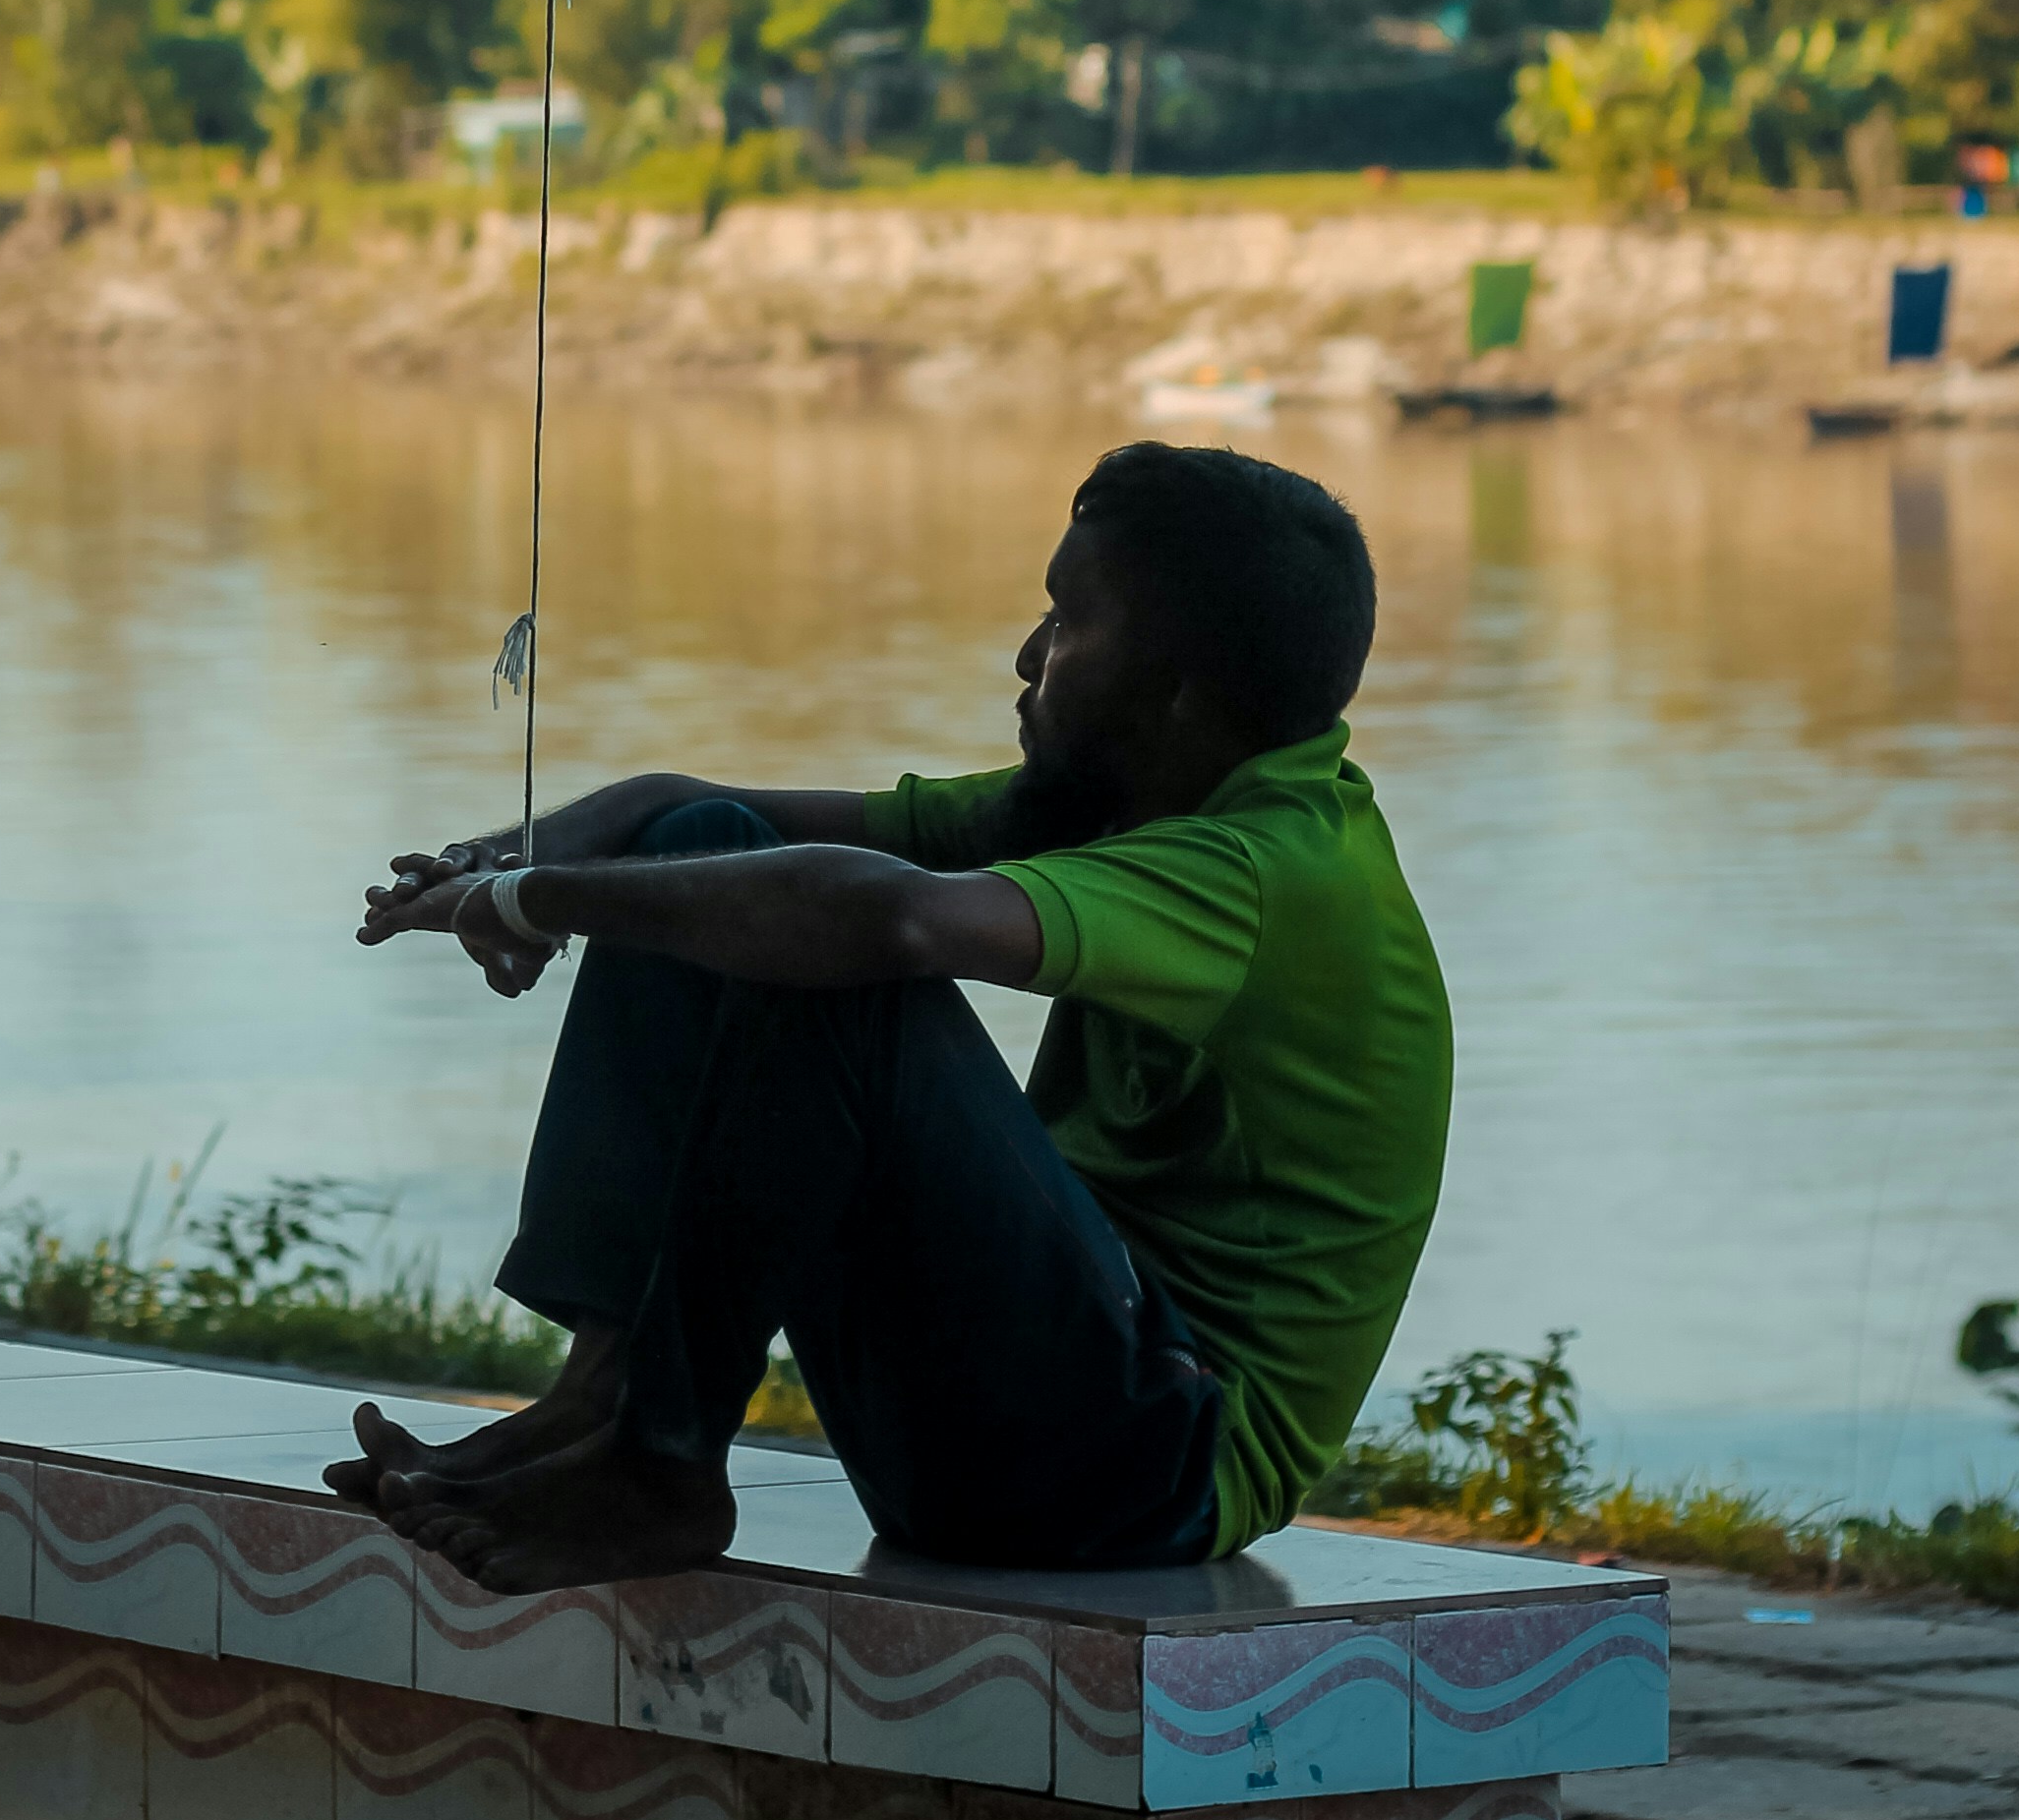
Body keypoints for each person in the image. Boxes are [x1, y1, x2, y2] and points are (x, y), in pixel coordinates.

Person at [336, 437, 1451, 1590]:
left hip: (1146, 1474)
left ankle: (659, 1468)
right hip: (1004, 1420)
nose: (1025, 656)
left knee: (822, 947)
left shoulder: (1272, 871)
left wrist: (534, 897)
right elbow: (698, 813)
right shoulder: (1133, 795)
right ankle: (602, 1403)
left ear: (1177, 691)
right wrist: (490, 864)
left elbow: (894, 926)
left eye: (1068, 623)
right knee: (710, 865)